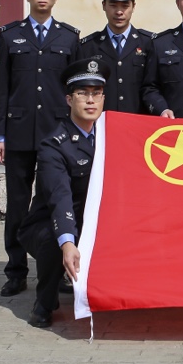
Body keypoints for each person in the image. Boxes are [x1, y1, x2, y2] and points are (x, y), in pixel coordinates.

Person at [0, 0, 80, 298]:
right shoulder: (11, 35)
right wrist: (0, 133)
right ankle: (16, 270)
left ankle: (57, 269)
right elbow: (2, 86)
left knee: (56, 201)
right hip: (18, 134)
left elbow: (74, 88)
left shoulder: (69, 37)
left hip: (56, 134)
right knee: (17, 203)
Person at [16, 57, 111, 328]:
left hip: (94, 221)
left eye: (96, 94)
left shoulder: (111, 136)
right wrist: (68, 243)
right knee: (52, 241)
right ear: (70, 100)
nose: (90, 101)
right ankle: (44, 302)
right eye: (83, 93)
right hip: (53, 221)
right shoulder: (53, 145)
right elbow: (60, 198)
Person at [78, 0, 155, 113]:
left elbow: (152, 87)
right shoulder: (88, 46)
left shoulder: (149, 44)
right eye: (113, 5)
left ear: (133, 6)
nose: (119, 12)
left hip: (138, 123)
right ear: (103, 5)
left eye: (125, 5)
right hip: (102, 125)